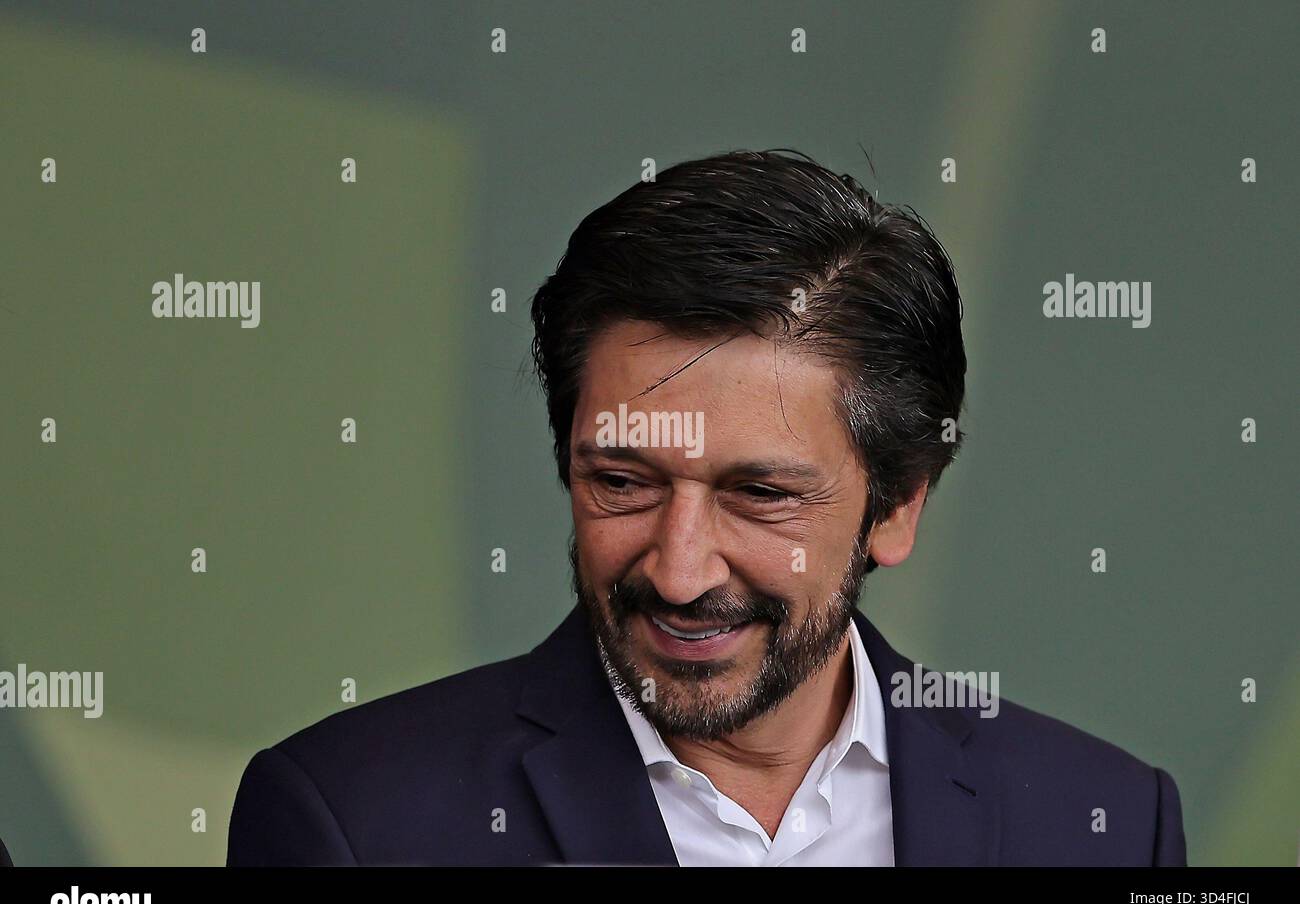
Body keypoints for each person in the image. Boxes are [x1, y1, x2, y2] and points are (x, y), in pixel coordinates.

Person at [228, 149, 1186, 866]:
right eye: (623, 483)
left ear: (894, 508)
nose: (680, 571)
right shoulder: (354, 820)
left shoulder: (1106, 824)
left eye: (760, 495)